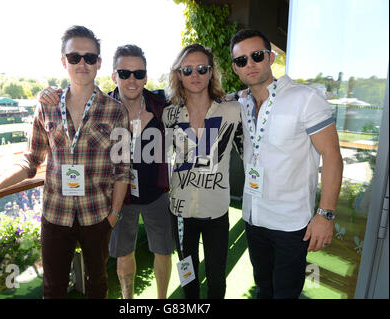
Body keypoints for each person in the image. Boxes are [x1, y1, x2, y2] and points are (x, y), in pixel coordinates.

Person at [0, 25, 130, 299]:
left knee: (98, 285)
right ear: (63, 61)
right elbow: (30, 161)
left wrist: (113, 216)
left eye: (89, 57)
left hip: (97, 215)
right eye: (74, 57)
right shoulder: (46, 106)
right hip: (55, 215)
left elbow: (123, 170)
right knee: (53, 290)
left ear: (99, 63)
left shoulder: (115, 111)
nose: (82, 63)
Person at [40, 44, 174, 299]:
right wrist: (49, 92)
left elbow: (193, 92)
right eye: (124, 73)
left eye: (138, 74)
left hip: (156, 194)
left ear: (146, 76)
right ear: (114, 76)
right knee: (124, 255)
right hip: (118, 196)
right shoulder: (103, 107)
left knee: (163, 251)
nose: (131, 80)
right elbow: (73, 100)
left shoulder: (160, 104)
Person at [229, 29, 343, 299]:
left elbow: (332, 156)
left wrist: (325, 214)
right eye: (241, 60)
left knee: (285, 294)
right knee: (263, 288)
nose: (250, 64)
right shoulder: (240, 102)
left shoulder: (305, 98)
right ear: (235, 68)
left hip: (291, 226)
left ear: (270, 57)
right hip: (253, 218)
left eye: (256, 56)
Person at [162, 43, 243, 299]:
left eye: (201, 68)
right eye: (187, 69)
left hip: (216, 211)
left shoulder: (232, 111)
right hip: (180, 212)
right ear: (178, 75)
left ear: (211, 73)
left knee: (217, 278)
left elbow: (254, 153)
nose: (194, 75)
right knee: (188, 277)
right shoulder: (169, 115)